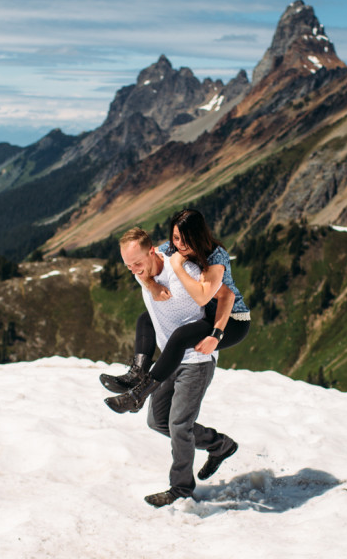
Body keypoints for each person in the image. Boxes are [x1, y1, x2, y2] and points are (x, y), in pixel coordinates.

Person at [105, 227, 238, 507]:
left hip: (196, 360)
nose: (133, 271)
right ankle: (219, 445)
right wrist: (150, 283)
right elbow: (148, 288)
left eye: (137, 263)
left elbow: (219, 294)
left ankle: (181, 489)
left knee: (179, 425)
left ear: (153, 252)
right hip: (169, 360)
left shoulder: (183, 271)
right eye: (128, 266)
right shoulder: (143, 272)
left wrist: (216, 333)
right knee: (158, 421)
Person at [100, 208, 250, 394]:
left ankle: (141, 393)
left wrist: (216, 335)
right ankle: (137, 373)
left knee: (180, 338)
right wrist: (151, 284)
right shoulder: (171, 247)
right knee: (145, 320)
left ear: (198, 235)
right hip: (204, 312)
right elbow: (145, 264)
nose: (180, 244)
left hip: (231, 319)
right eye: (176, 237)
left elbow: (215, 297)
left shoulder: (215, 257)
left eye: (186, 239)